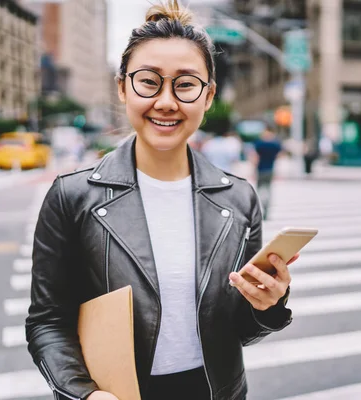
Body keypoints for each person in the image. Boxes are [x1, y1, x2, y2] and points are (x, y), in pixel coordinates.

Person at [25, 2, 297, 399]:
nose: (166, 101)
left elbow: (238, 330)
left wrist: (268, 305)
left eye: (185, 84)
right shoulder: (72, 195)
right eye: (148, 81)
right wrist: (84, 394)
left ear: (208, 96)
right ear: (122, 87)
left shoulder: (239, 198)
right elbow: (47, 322)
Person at [250, 126, 283, 220]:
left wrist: (253, 170)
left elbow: (254, 157)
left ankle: (259, 209)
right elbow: (280, 155)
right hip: (270, 170)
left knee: (259, 190)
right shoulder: (275, 144)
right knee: (268, 190)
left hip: (260, 169)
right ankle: (266, 209)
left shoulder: (259, 143)